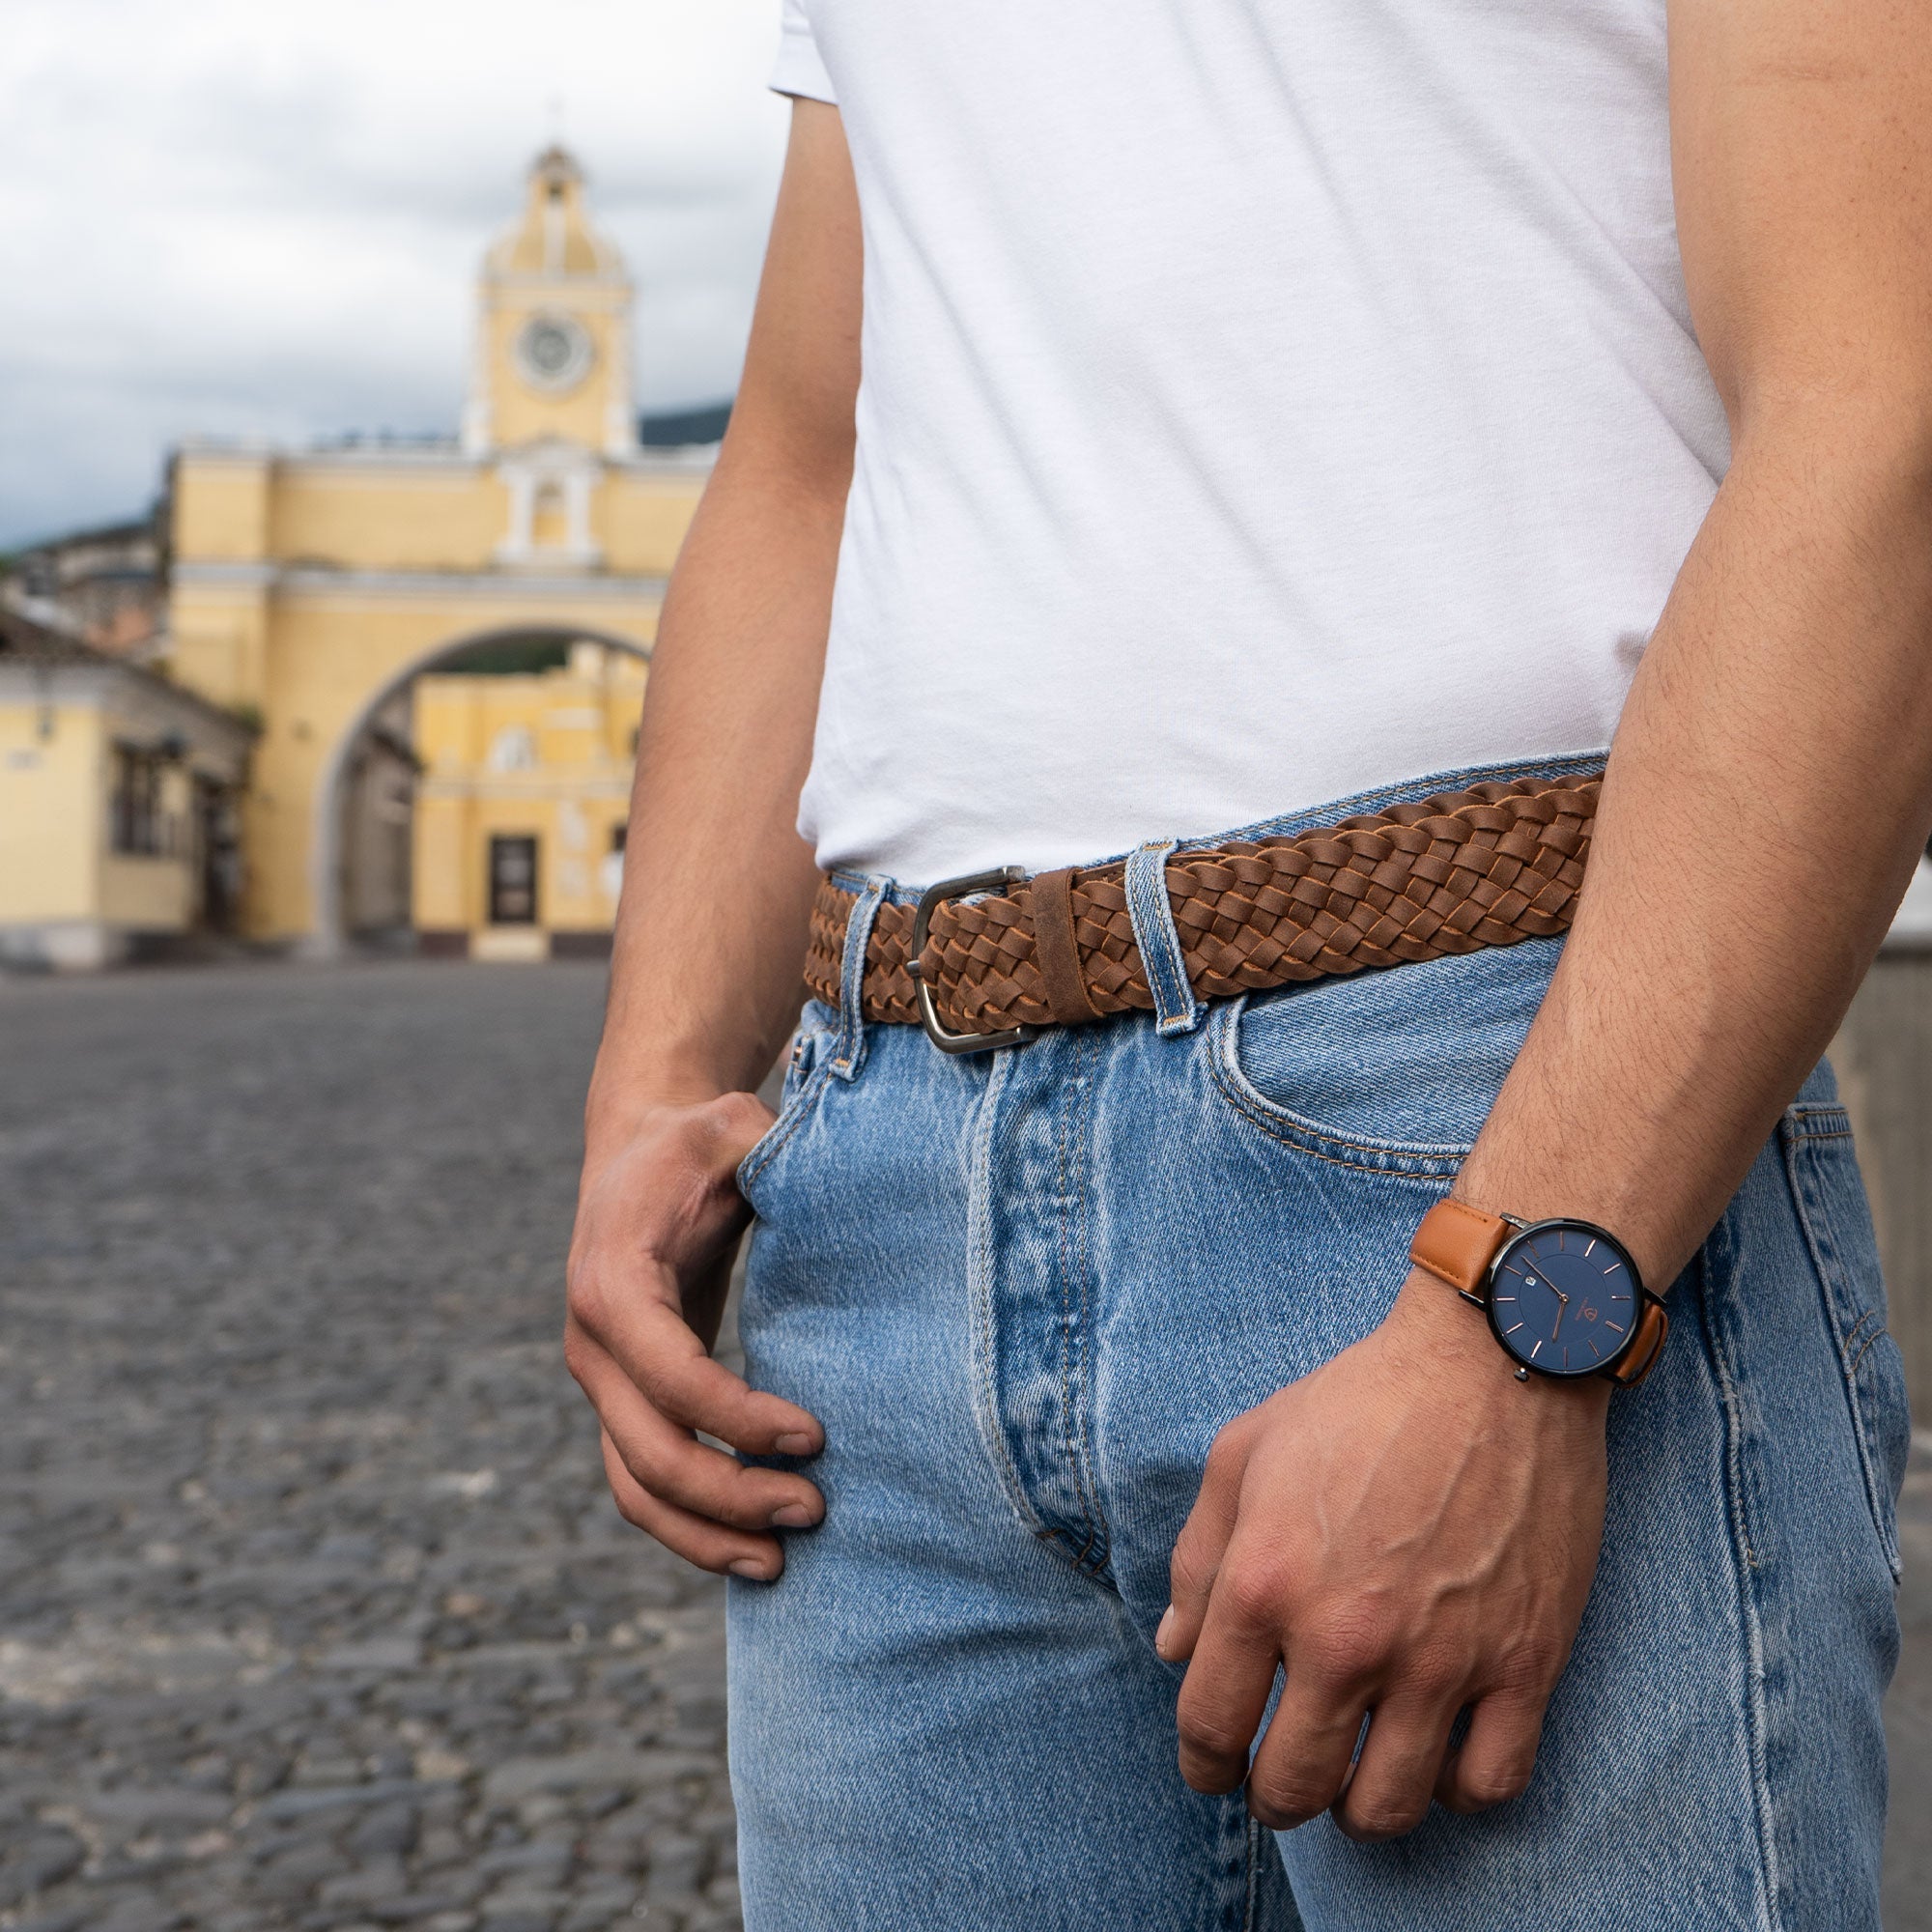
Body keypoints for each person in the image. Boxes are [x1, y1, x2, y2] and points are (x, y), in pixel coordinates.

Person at [564, 0, 1927, 1923]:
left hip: (1468, 1112)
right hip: (881, 1177)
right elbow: (809, 444)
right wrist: (653, 1086)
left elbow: (1881, 404)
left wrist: (1514, 1310)